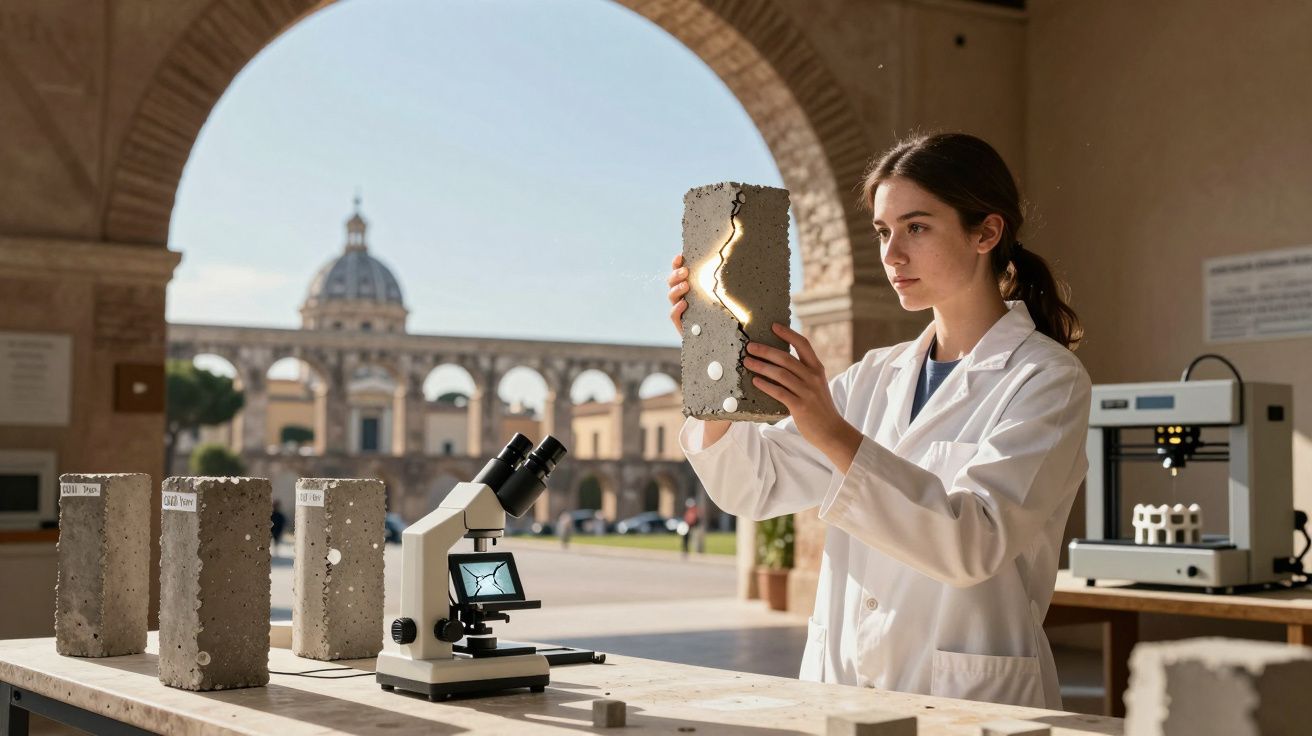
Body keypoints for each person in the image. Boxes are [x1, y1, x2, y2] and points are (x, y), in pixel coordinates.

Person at [666, 132, 1090, 710]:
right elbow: (753, 485)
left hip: (969, 700)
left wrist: (833, 432)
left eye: (917, 228)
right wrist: (713, 367)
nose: (892, 255)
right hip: (841, 689)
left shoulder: (1046, 380)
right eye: (884, 231)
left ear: (986, 233)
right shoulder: (875, 376)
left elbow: (973, 544)